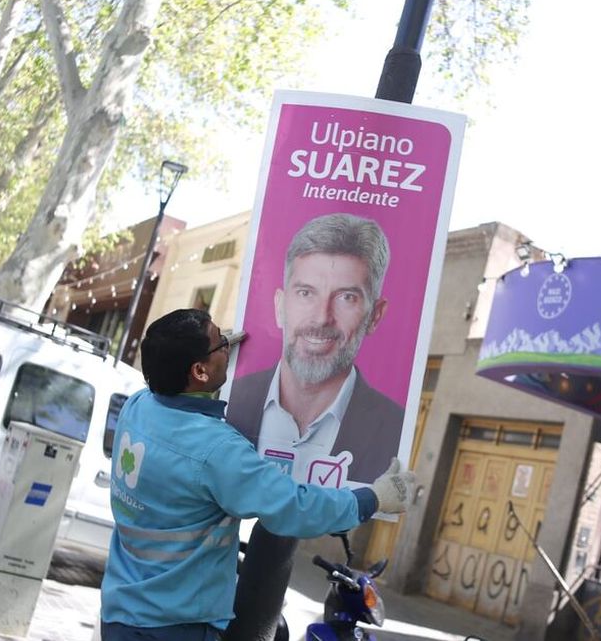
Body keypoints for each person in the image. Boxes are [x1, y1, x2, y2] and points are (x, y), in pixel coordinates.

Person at [100, 308, 415, 641]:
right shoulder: (215, 450)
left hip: (122, 610)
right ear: (199, 370)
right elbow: (294, 507)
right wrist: (373, 498)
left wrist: (214, 354)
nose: (228, 344)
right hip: (173, 627)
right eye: (220, 342)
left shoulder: (138, 407)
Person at [228, 213, 404, 484]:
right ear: (279, 306)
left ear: (375, 316)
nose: (322, 317)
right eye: (306, 293)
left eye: (347, 297)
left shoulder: (395, 429)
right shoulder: (228, 399)